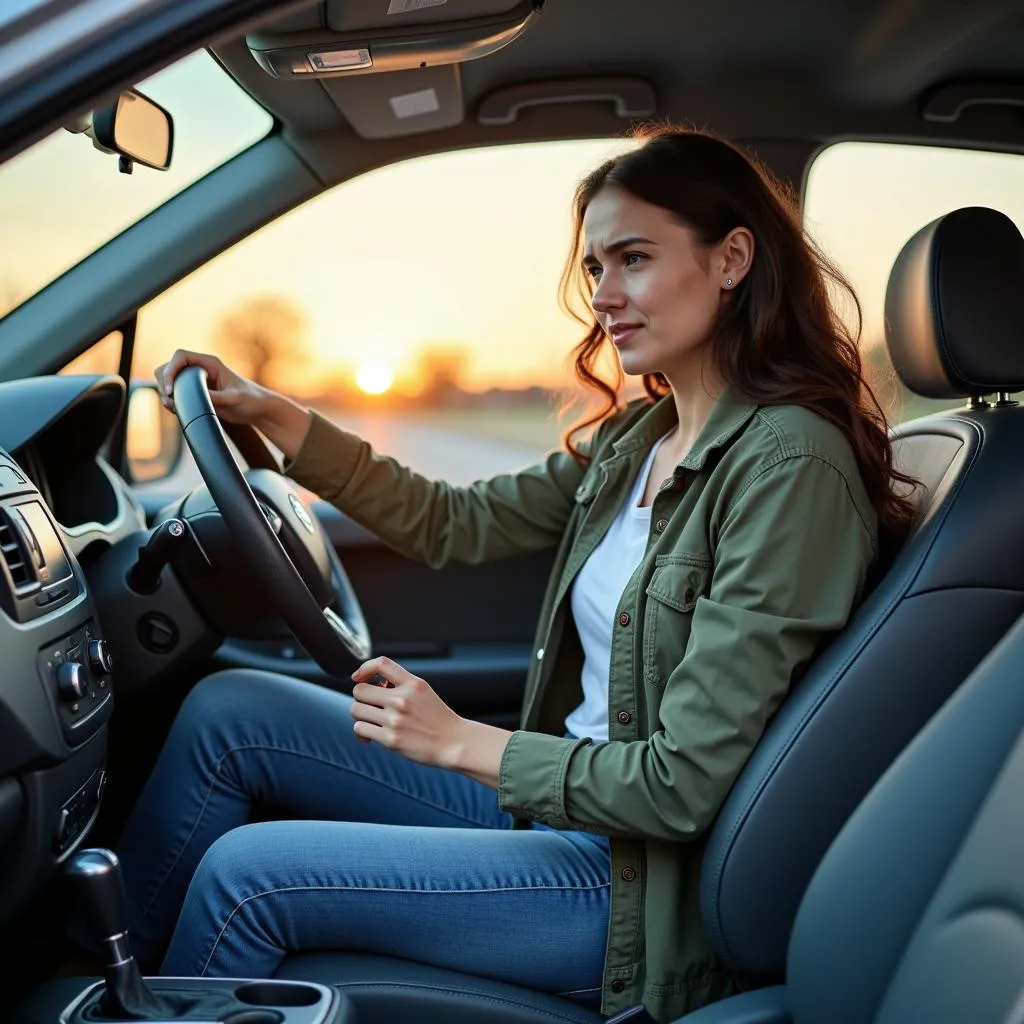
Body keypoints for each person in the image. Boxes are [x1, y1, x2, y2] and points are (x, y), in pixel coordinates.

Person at [118, 126, 914, 1022]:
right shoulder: (638, 439)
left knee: (245, 877)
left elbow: (681, 785)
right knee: (231, 714)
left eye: (634, 259)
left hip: (631, 889)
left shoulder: (789, 469)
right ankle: (112, 982)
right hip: (557, 811)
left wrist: (458, 740)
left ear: (732, 259)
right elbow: (455, 522)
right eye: (595, 268)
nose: (604, 297)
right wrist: (283, 420)